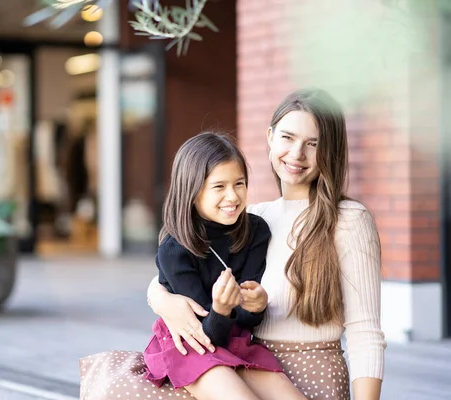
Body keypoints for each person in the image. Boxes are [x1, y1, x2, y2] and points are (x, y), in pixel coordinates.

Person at [78, 88, 386, 400]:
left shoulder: (348, 219)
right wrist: (161, 300)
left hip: (301, 371)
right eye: (288, 138)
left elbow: (365, 332)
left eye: (313, 143)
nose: (296, 153)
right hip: (230, 360)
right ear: (270, 137)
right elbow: (171, 273)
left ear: (330, 150)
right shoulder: (249, 217)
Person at [142, 132, 306, 400]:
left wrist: (256, 306)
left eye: (239, 183)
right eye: (219, 187)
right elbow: (206, 336)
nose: (233, 196)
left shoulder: (255, 231)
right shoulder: (175, 251)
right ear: (192, 193)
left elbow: (246, 319)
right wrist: (220, 308)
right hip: (192, 345)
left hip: (238, 342)